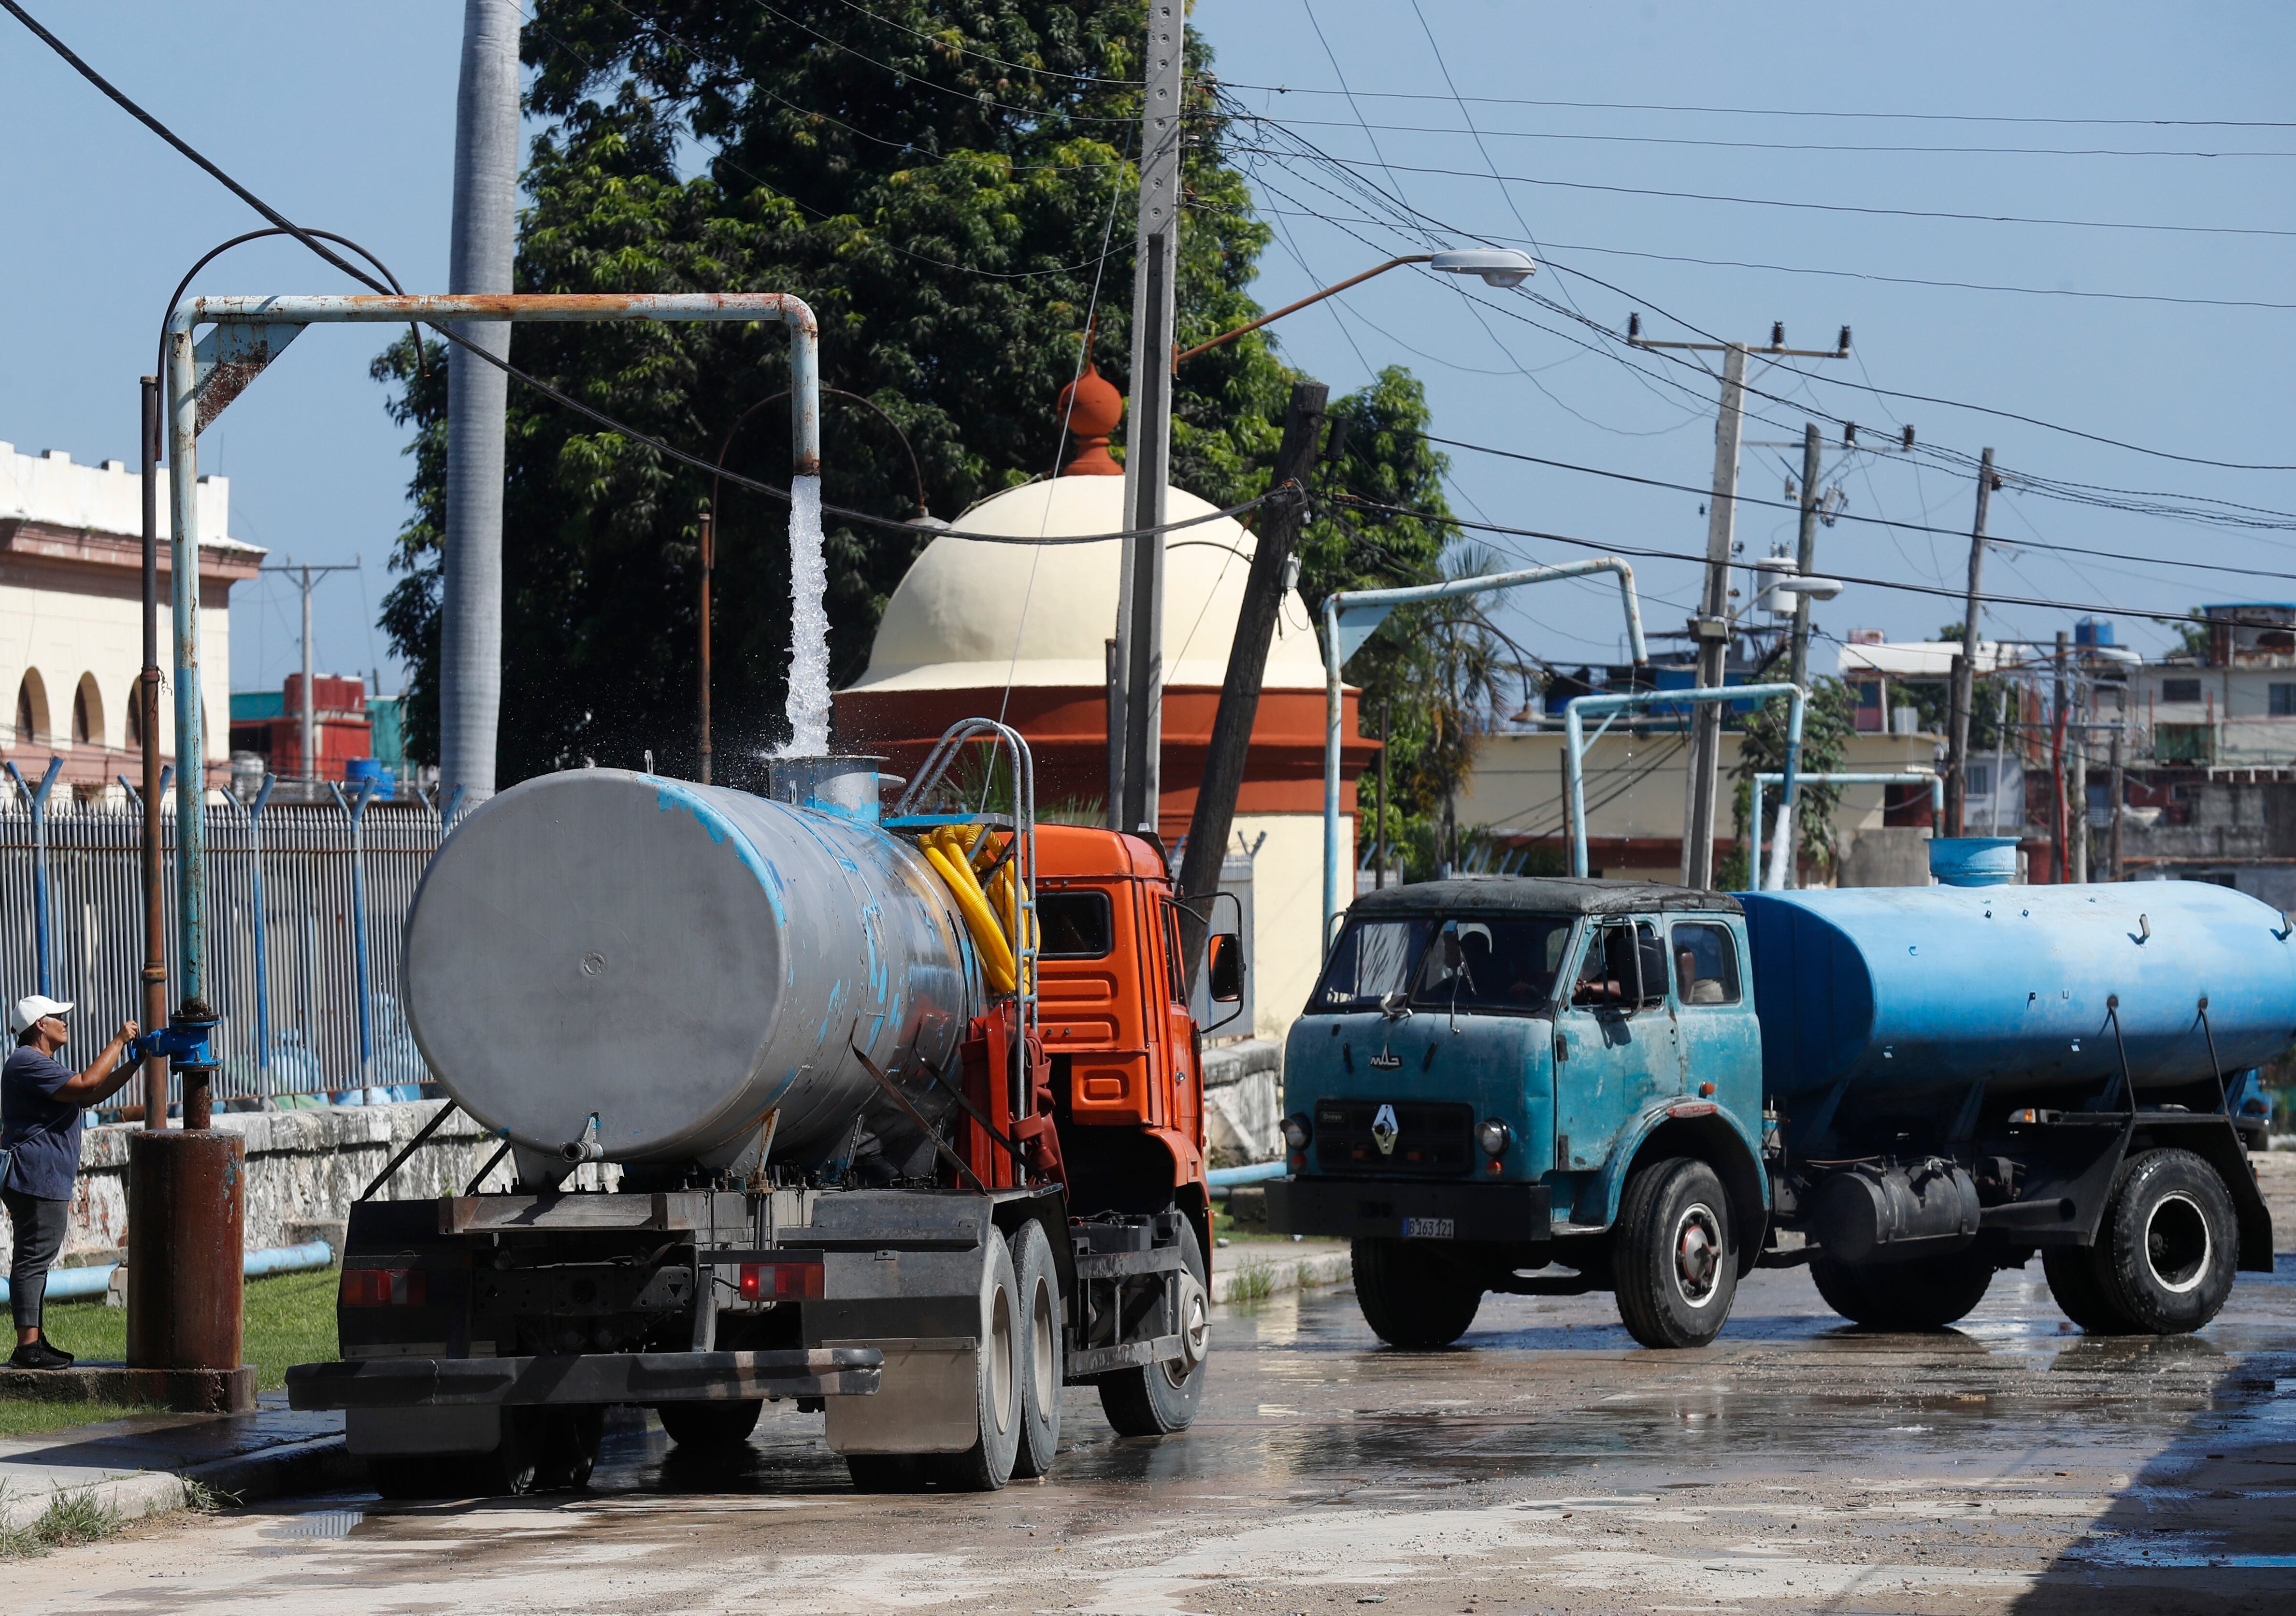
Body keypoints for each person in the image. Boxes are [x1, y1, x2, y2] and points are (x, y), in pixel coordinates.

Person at [3, 996, 138, 1370]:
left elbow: (90, 1094)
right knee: (32, 1258)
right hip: (34, 1176)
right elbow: (87, 1082)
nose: (65, 1021)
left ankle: (34, 1340)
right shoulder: (27, 1062)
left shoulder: (39, 1064)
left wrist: (134, 1063)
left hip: (42, 1177)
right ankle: (27, 1348)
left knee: (37, 1257)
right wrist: (119, 1041)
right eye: (58, 1016)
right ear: (39, 1025)